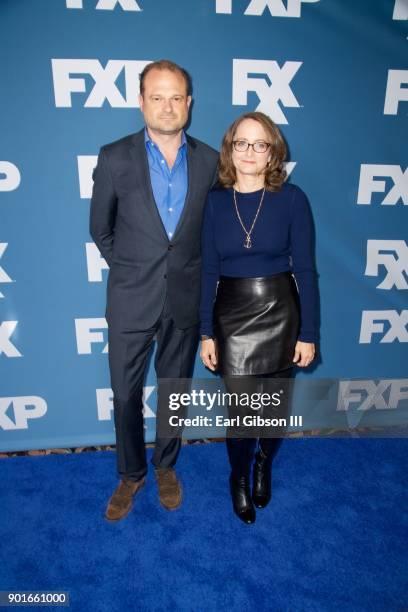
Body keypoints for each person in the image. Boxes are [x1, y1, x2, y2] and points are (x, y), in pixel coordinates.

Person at [90, 60, 218, 522]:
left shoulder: (209, 161)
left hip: (184, 297)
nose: (168, 106)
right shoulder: (114, 156)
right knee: (125, 394)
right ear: (141, 101)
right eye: (157, 96)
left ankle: (165, 465)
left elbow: (211, 233)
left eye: (176, 97)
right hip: (130, 297)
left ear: (189, 103)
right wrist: (132, 270)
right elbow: (100, 229)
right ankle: (130, 473)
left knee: (175, 389)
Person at [199, 112, 318, 524]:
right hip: (230, 316)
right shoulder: (215, 201)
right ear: (230, 149)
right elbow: (209, 272)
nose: (250, 152)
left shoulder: (292, 199)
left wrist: (309, 332)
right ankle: (238, 477)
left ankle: (263, 462)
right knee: (241, 415)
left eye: (260, 144)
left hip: (281, 311)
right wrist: (204, 332)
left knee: (273, 411)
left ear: (273, 153)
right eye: (241, 143)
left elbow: (305, 271)